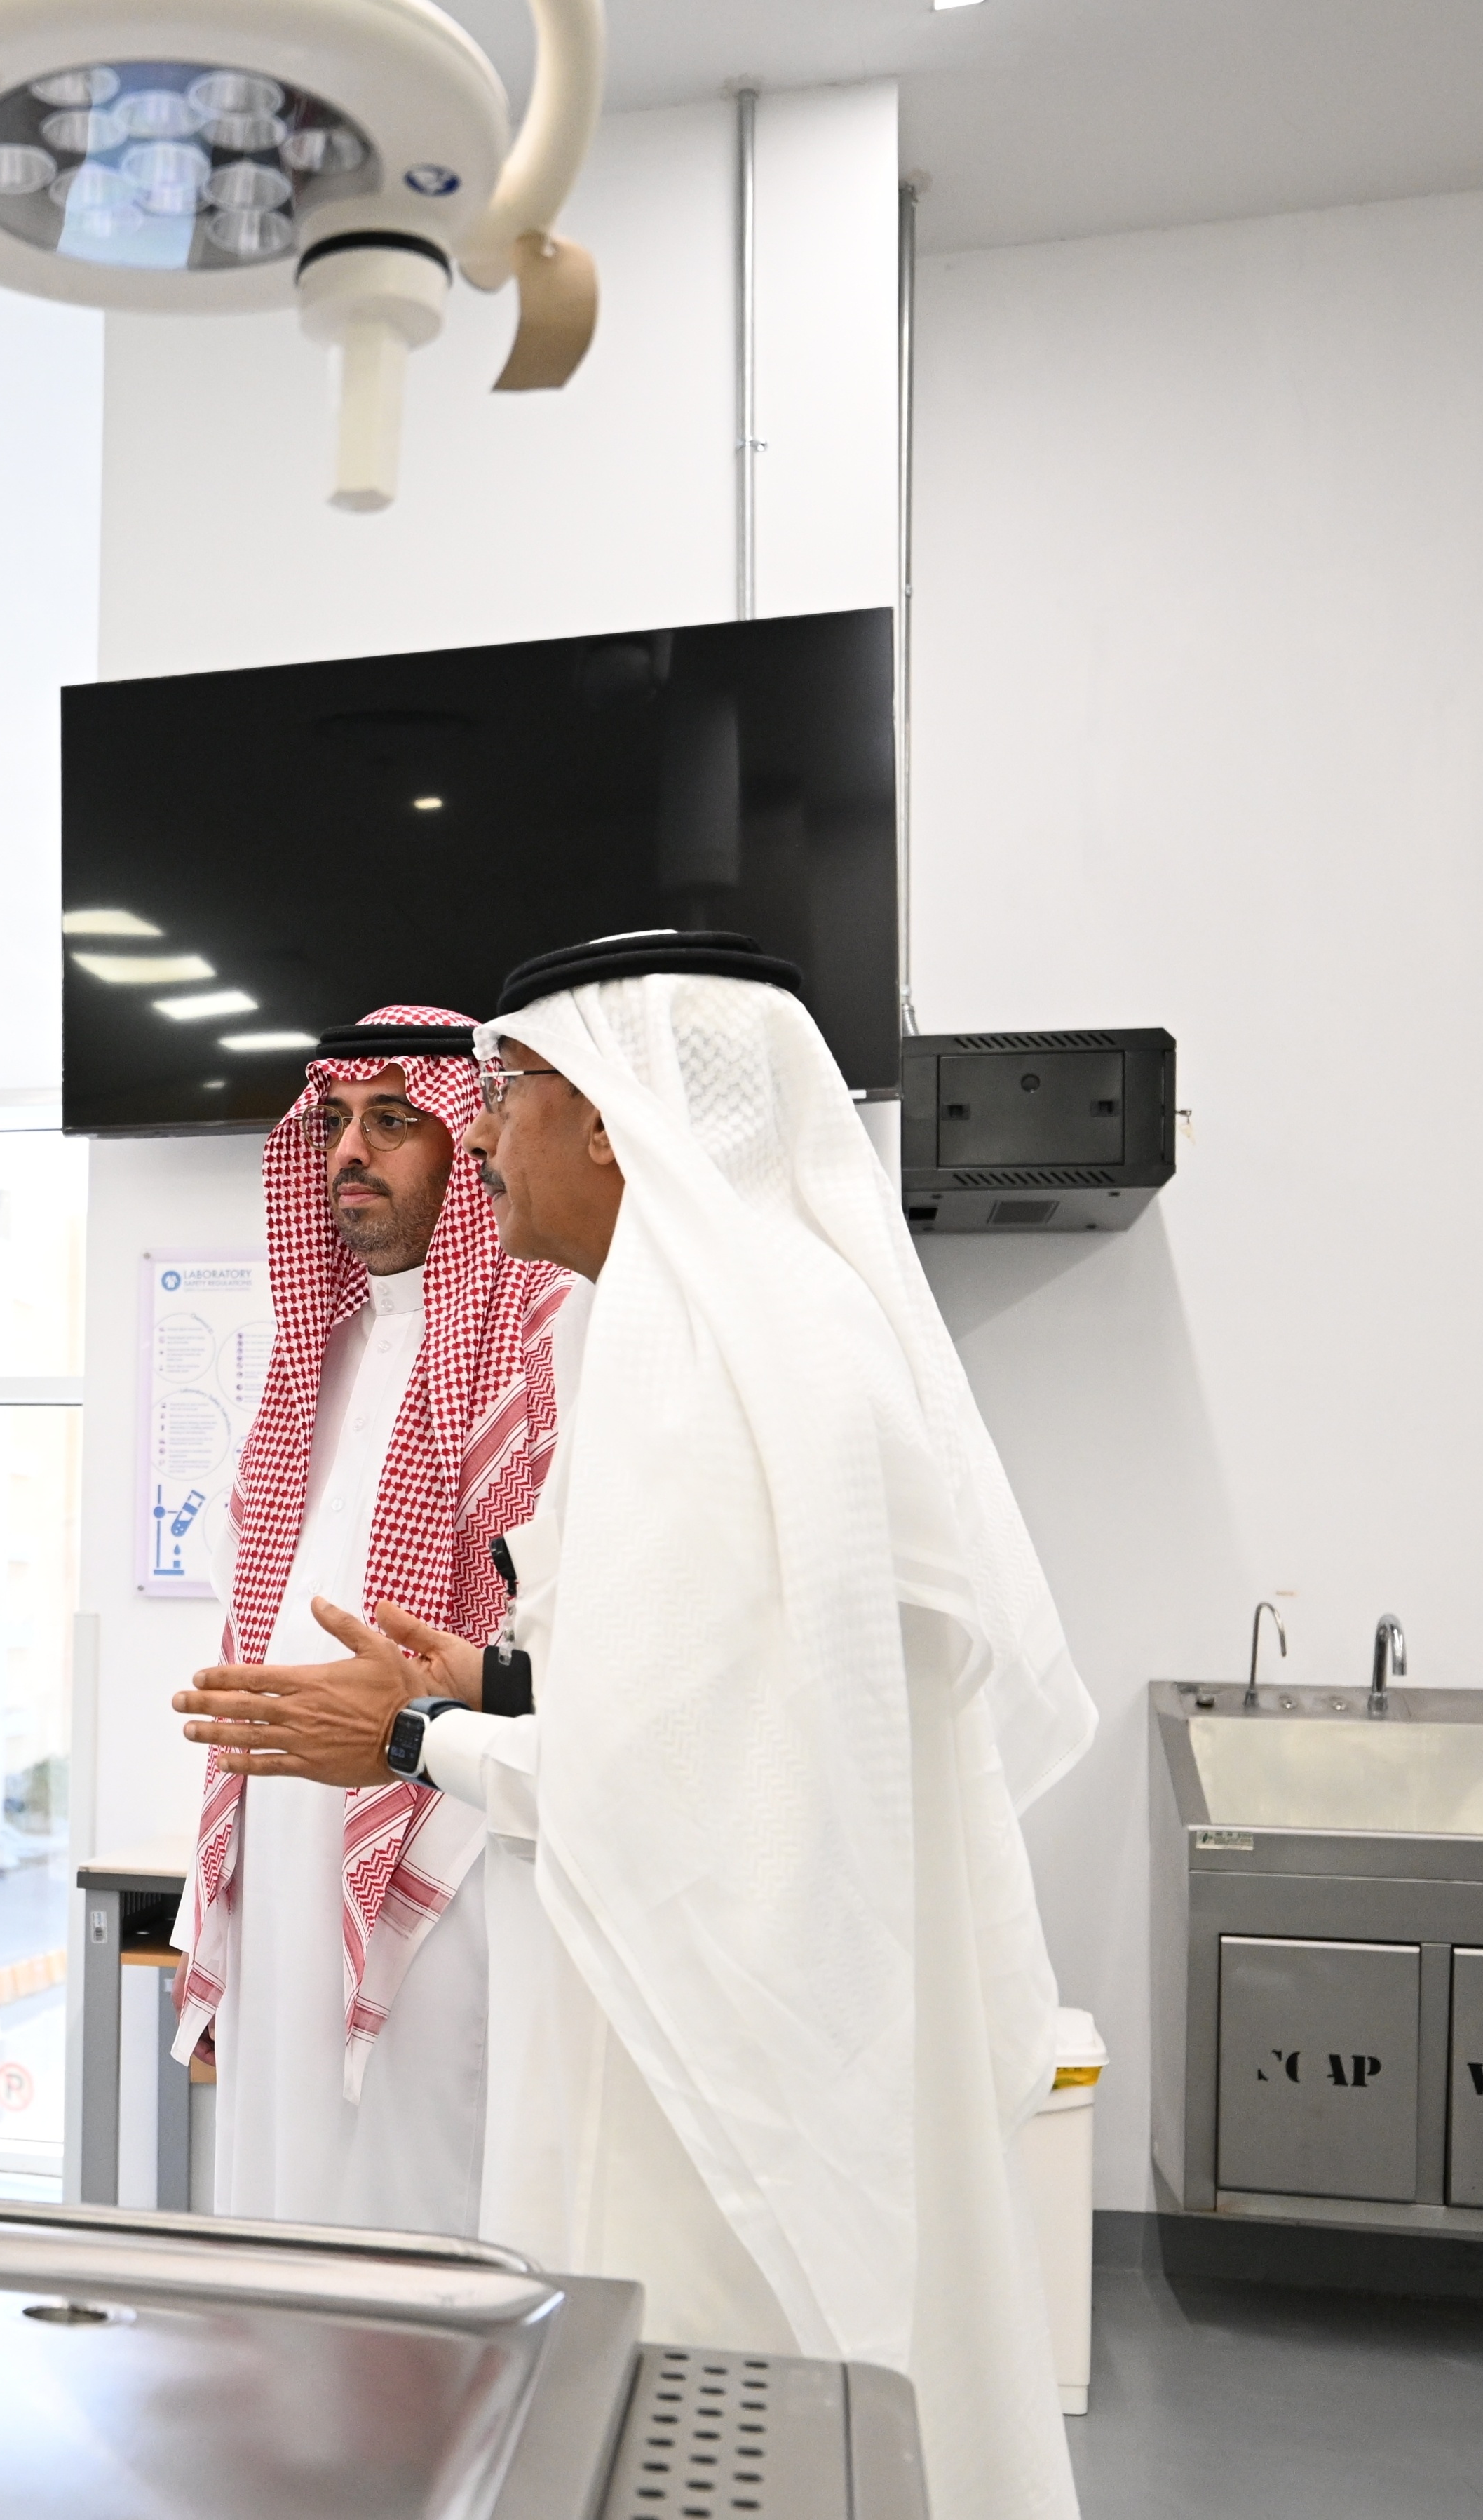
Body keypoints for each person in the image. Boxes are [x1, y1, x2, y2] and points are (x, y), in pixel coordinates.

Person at [215, 929, 1092, 2519]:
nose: (486, 1133)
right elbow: (689, 1692)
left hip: (730, 2046)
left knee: (717, 2420)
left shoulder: (725, 1367)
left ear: (613, 1120)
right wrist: (492, 1683)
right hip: (701, 1999)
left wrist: (410, 1741)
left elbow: (671, 1784)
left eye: (509, 1094)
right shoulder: (685, 1332)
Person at [163, 1011, 576, 2230]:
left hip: (455, 1838)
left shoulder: (538, 1331)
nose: (350, 1150)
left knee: (415, 2182)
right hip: (280, 1841)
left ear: (466, 1137)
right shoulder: (314, 1350)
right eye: (334, 1122)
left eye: (392, 1120)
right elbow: (248, 1614)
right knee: (277, 2182)